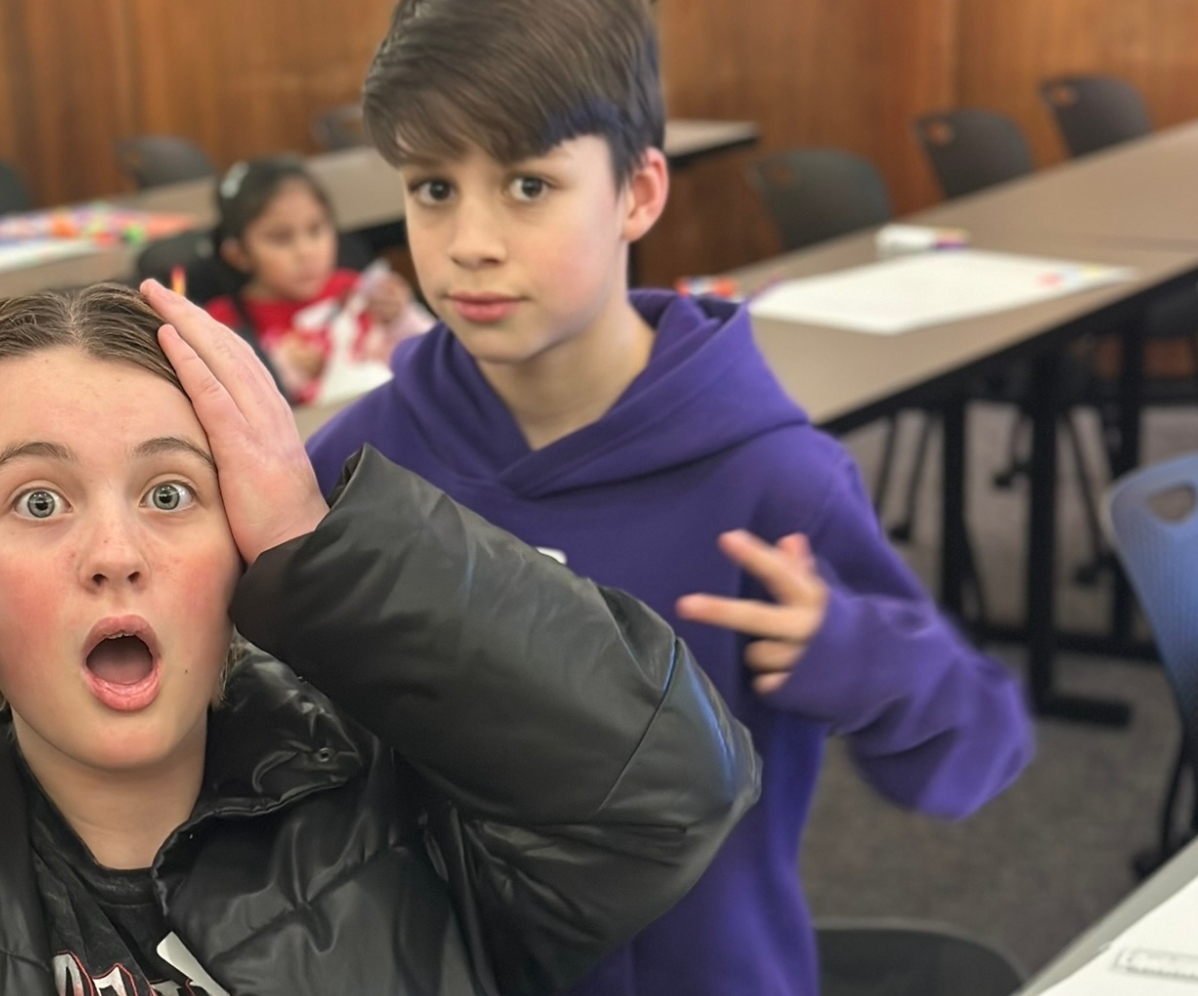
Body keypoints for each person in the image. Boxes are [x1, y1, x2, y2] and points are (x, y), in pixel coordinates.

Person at [305, 1, 1037, 994]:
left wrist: (860, 656)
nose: (469, 241)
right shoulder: (355, 465)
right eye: (434, 188)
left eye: (528, 185)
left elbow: (976, 751)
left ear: (638, 192)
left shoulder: (772, 482)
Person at [0, 281, 760, 996]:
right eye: (37, 502)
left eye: (169, 493)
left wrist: (311, 537)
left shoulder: (406, 797)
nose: (114, 556)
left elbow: (676, 785)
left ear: (239, 539)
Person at [203, 155, 434, 405]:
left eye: (315, 230)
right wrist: (280, 370)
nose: (306, 252)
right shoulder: (222, 325)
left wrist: (399, 318)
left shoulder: (356, 290)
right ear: (239, 254)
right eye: (281, 238)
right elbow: (227, 403)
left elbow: (433, 355)